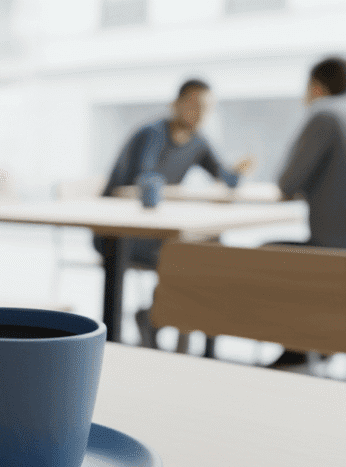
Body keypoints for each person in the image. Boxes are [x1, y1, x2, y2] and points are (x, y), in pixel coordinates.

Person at [95, 79, 254, 348]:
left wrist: (238, 172)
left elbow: (223, 175)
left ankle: (163, 323)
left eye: (206, 108)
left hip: (157, 234)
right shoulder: (152, 134)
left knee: (210, 251)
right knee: (188, 255)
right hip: (119, 234)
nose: (200, 113)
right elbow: (143, 180)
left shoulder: (198, 141)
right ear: (177, 104)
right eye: (195, 105)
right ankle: (153, 322)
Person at [266, 57, 346, 367]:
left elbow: (289, 182)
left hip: (333, 251)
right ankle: (314, 344)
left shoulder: (324, 115)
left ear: (315, 87)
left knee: (262, 256)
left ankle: (301, 347)